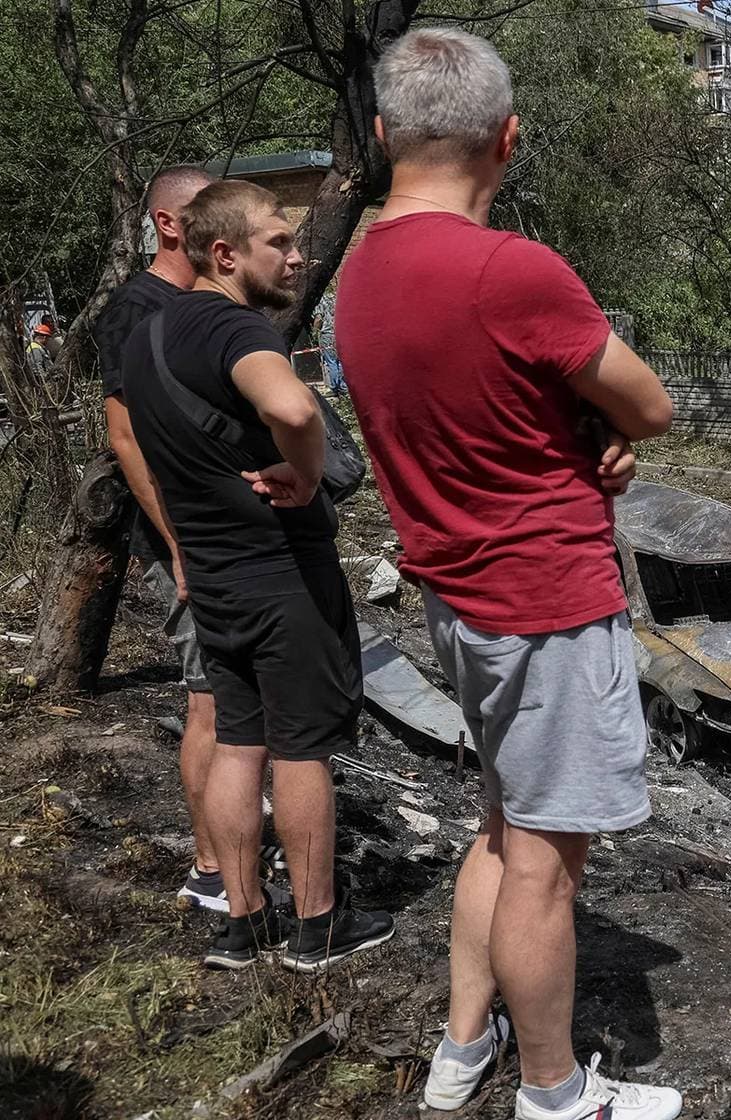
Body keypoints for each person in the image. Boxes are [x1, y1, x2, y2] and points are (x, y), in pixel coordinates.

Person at [334, 28, 677, 1120]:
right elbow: (653, 403)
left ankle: (460, 1049)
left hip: (458, 596)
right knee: (543, 863)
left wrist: (583, 433)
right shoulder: (512, 270)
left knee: (499, 821)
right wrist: (609, 431)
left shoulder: (360, 271)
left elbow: (484, 414)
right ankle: (555, 1094)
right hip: (546, 603)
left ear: (384, 135)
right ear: (508, 139)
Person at [120, 179, 392, 972]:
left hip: (212, 578)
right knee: (302, 748)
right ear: (225, 252)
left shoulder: (146, 337)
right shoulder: (239, 332)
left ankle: (244, 923)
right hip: (280, 574)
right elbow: (298, 412)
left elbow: (141, 441)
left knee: (239, 744)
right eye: (280, 239)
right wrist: (305, 475)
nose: (298, 252)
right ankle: (318, 927)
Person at [92, 164, 252, 913]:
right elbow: (125, 438)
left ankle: (240, 847)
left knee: (237, 695)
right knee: (209, 699)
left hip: (230, 528)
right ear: (167, 224)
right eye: (206, 212)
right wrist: (179, 542)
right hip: (186, 534)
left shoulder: (202, 305)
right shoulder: (137, 310)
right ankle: (211, 867)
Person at [314, 291, 345, 394]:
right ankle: (343, 386)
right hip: (340, 333)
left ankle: (334, 387)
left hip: (327, 334)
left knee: (331, 362)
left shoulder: (322, 300)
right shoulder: (337, 297)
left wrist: (315, 331)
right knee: (340, 361)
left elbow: (319, 318)